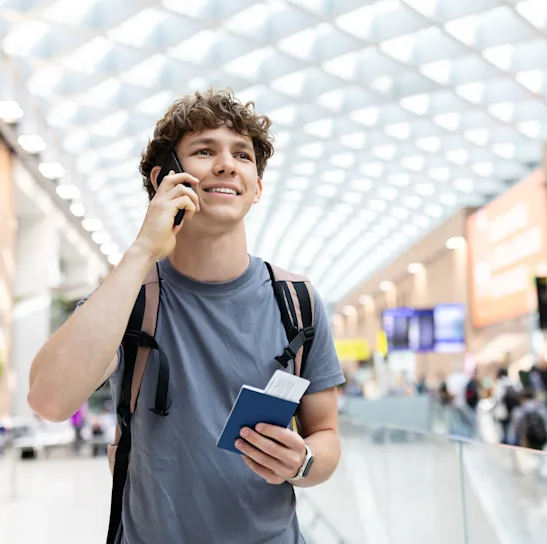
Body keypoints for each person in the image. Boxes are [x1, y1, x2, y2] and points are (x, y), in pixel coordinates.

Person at [27, 88, 346, 544]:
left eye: (243, 155)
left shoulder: (297, 302)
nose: (226, 165)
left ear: (257, 187)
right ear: (165, 178)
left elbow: (327, 435)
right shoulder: (130, 297)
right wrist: (142, 249)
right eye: (204, 151)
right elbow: (49, 399)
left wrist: (303, 462)